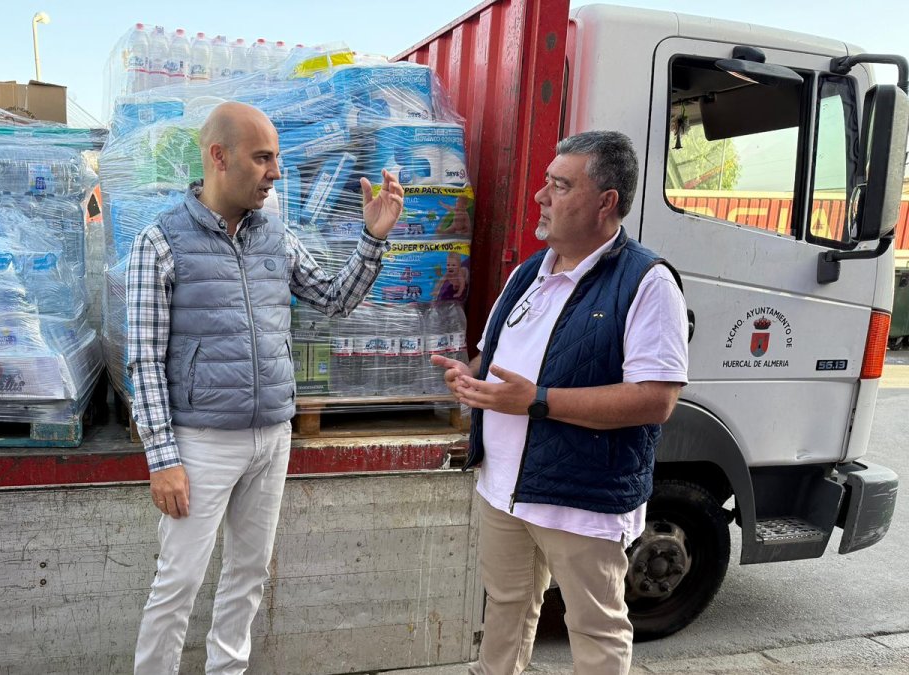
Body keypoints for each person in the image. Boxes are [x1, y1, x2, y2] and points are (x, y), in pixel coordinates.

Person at [128, 101, 403, 673]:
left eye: (276, 157)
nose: (275, 171)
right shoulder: (159, 244)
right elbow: (145, 360)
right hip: (201, 442)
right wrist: (163, 459)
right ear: (218, 157)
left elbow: (332, 298)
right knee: (178, 584)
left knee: (248, 575)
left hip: (272, 435)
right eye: (262, 158)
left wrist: (372, 239)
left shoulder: (274, 235)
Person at [432, 130, 688, 675]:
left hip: (581, 495)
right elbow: (493, 359)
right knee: (505, 607)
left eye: (559, 185)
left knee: (595, 627)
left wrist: (537, 402)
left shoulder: (647, 281)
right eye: (546, 182)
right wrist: (469, 379)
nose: (540, 197)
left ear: (606, 201)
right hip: (504, 487)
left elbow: (655, 399)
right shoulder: (530, 272)